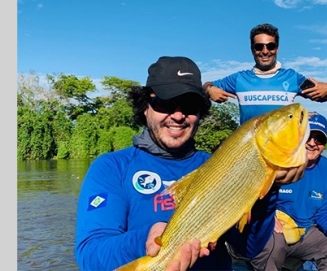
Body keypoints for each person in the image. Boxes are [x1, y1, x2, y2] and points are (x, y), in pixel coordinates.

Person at [73, 56, 306, 271]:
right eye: (165, 103)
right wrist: (147, 240)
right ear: (145, 107)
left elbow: (248, 248)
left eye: (189, 105)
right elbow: (90, 256)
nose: (177, 115)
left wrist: (269, 188)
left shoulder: (217, 164)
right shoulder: (112, 167)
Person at [249, 112, 327, 271]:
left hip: (304, 233)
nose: (313, 143)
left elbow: (324, 212)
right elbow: (250, 199)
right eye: (308, 136)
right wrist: (267, 217)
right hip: (272, 229)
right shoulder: (277, 162)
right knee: (273, 241)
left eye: (319, 139)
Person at [202, 23, 327, 125]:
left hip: (282, 151)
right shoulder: (239, 79)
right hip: (251, 152)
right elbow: (206, 86)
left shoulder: (292, 77)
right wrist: (209, 89)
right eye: (259, 47)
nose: (265, 51)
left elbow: (321, 96)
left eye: (270, 46)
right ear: (252, 49)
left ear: (277, 48)